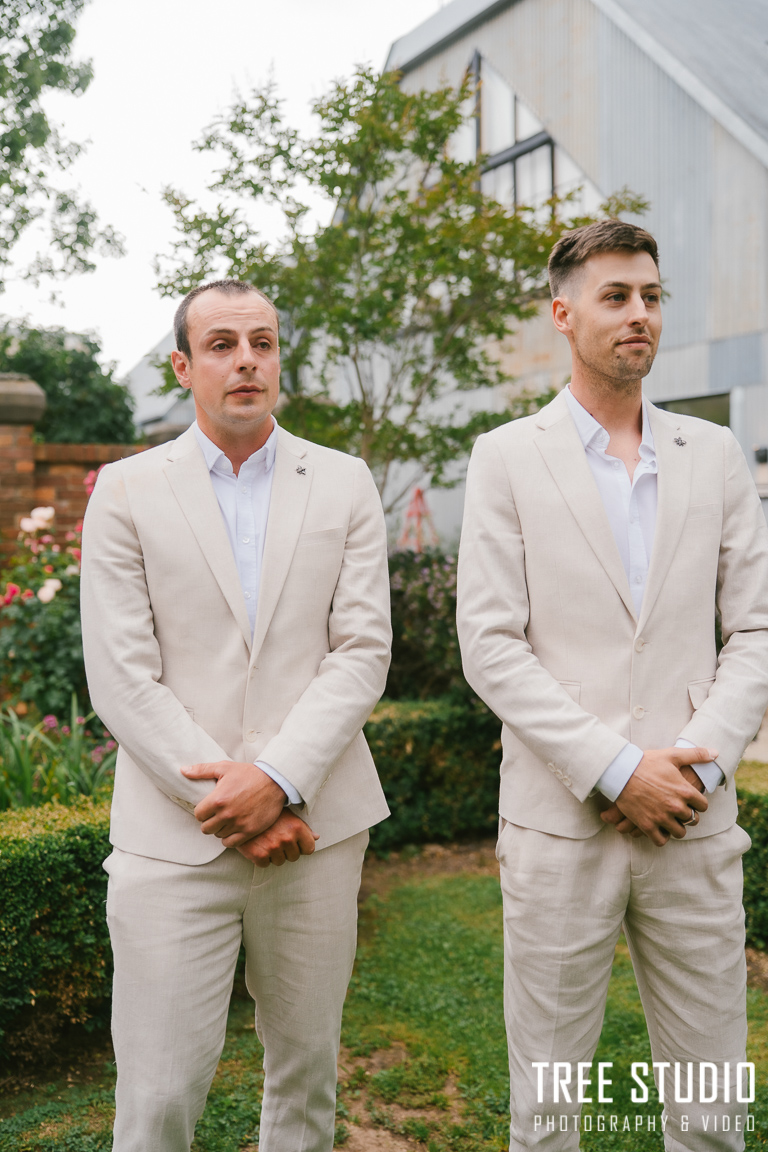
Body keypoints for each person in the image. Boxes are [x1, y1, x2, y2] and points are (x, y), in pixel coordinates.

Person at [456, 220, 768, 1151]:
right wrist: (615, 768)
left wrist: (696, 769)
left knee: (713, 1111)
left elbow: (756, 629)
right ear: (564, 314)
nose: (641, 314)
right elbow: (491, 645)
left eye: (652, 296)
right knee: (548, 1114)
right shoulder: (506, 457)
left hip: (692, 820)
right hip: (559, 828)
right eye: (617, 296)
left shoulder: (715, 453)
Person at [80, 279, 391, 1152]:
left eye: (262, 342)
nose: (246, 360)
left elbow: (361, 652)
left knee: (306, 1081)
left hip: (316, 831)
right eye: (221, 344)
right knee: (158, 1096)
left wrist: (280, 781)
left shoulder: (344, 482)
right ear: (184, 367)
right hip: (172, 841)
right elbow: (123, 676)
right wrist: (235, 803)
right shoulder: (126, 491)